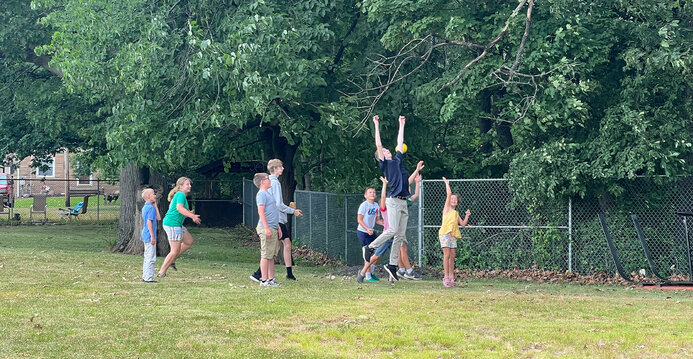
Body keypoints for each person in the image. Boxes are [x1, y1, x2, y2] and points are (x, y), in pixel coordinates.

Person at [363, 114, 424, 281]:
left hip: (403, 202)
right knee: (392, 230)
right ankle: (371, 246)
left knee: (400, 236)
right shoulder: (385, 163)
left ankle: (392, 265)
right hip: (393, 200)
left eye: (386, 150)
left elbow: (399, 142)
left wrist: (401, 124)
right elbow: (378, 143)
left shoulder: (397, 160)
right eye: (383, 151)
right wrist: (376, 124)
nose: (386, 150)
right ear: (380, 156)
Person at [357, 172, 422, 284]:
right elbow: (383, 197)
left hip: (397, 235)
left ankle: (394, 277)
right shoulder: (385, 207)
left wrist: (417, 182)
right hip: (387, 236)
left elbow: (414, 194)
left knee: (397, 254)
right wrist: (385, 185)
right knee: (375, 256)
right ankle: (363, 273)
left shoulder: (402, 204)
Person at [250, 159, 303, 283]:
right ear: (275, 169)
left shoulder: (271, 184)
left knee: (274, 249)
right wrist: (292, 211)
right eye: (281, 167)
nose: (283, 169)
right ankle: (263, 277)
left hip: (275, 222)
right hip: (273, 222)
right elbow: (277, 205)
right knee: (277, 248)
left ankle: (268, 276)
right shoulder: (274, 183)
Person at [158, 177, 201, 278]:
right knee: (174, 251)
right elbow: (179, 208)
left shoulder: (179, 195)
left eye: (190, 184)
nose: (189, 186)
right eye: (187, 184)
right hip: (172, 224)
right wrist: (192, 216)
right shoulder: (180, 194)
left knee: (189, 241)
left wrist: (188, 213)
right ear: (180, 186)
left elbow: (177, 210)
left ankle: (172, 260)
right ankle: (162, 272)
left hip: (177, 224)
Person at [439, 177, 471, 287]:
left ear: (457, 202)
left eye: (455, 200)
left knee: (452, 256)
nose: (453, 200)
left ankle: (452, 276)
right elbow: (448, 194)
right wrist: (447, 184)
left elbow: (462, 224)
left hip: (452, 236)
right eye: (451, 199)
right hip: (445, 234)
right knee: (446, 255)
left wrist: (467, 216)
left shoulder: (456, 213)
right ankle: (446, 277)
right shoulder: (447, 209)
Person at [253, 172, 282, 287]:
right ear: (262, 182)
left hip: (273, 227)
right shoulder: (261, 194)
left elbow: (273, 212)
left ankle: (271, 278)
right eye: (267, 178)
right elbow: (261, 211)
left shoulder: (268, 193)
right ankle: (264, 280)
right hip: (266, 227)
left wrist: (277, 226)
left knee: (271, 255)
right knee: (265, 254)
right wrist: (266, 228)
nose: (269, 180)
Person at [356, 186, 383, 282]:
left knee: (378, 251)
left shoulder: (376, 205)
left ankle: (371, 272)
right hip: (363, 232)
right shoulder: (364, 205)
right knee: (368, 253)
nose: (372, 194)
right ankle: (367, 275)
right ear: (365, 195)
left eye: (374, 192)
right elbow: (359, 220)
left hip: (371, 232)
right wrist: (367, 228)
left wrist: (385, 224)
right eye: (370, 192)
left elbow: (377, 220)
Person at [141, 188, 161, 283]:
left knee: (147, 256)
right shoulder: (150, 208)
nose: (155, 196)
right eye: (153, 194)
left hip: (145, 234)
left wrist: (155, 206)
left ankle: (145, 276)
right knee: (151, 257)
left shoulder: (147, 207)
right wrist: (153, 236)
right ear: (149, 196)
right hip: (149, 235)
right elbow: (149, 222)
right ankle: (149, 278)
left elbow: (158, 218)